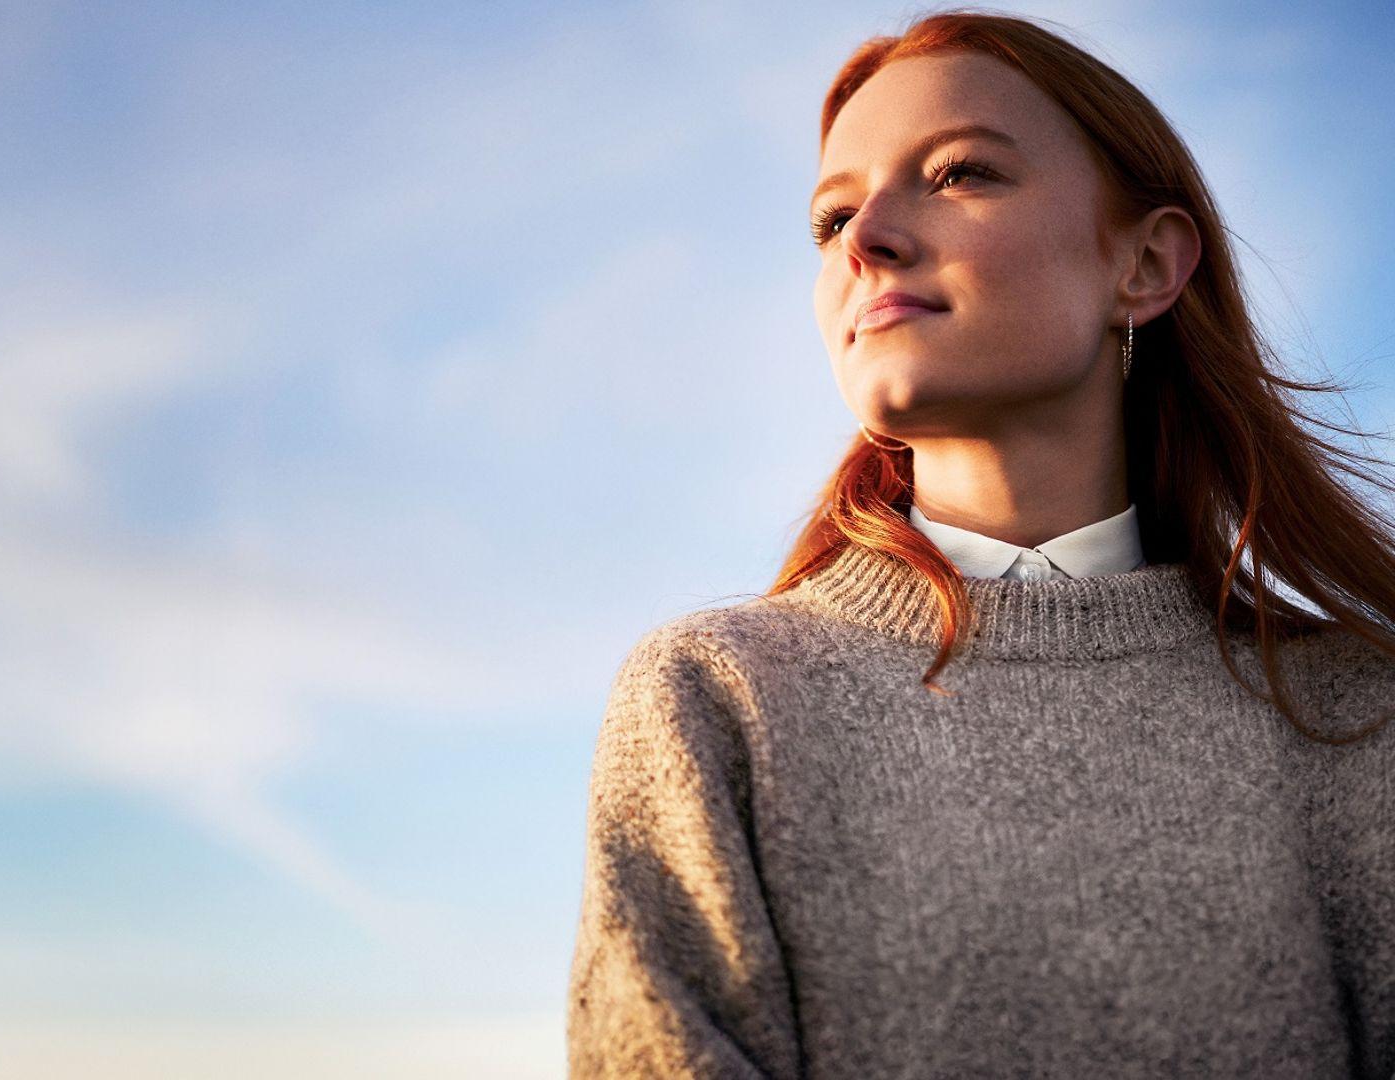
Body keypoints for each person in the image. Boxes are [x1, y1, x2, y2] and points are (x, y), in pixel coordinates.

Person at [565, 9, 1395, 1079]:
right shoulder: (716, 698)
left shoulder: (1351, 713)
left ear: (1145, 266)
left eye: (958, 173)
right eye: (830, 220)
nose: (865, 241)